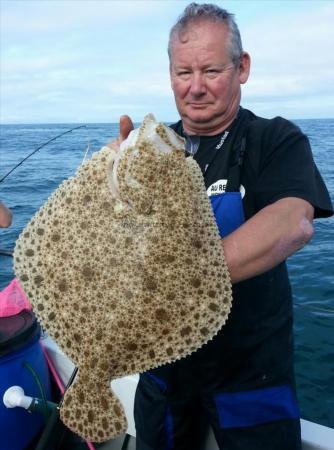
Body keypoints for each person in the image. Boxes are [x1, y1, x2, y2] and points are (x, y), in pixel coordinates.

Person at [108, 3, 333, 449]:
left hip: (249, 374)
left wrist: (185, 280)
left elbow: (294, 222)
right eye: (182, 72)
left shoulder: (275, 139)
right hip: (164, 375)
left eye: (210, 70)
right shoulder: (148, 151)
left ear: (242, 67)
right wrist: (114, 181)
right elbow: (116, 247)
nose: (194, 88)